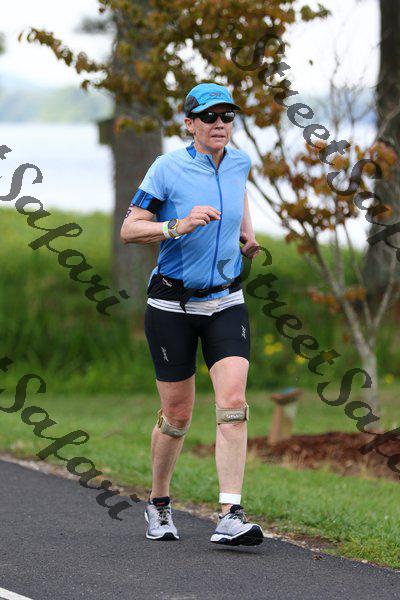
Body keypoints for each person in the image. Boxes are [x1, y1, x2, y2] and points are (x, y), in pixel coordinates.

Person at [121, 82, 263, 546]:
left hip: (225, 301)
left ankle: (230, 514)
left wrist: (247, 233)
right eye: (209, 116)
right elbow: (129, 229)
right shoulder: (167, 167)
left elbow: (239, 193)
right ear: (190, 123)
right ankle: (159, 502)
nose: (219, 124)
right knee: (177, 415)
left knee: (233, 402)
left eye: (227, 116)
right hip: (171, 306)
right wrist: (176, 226)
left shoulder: (240, 162)